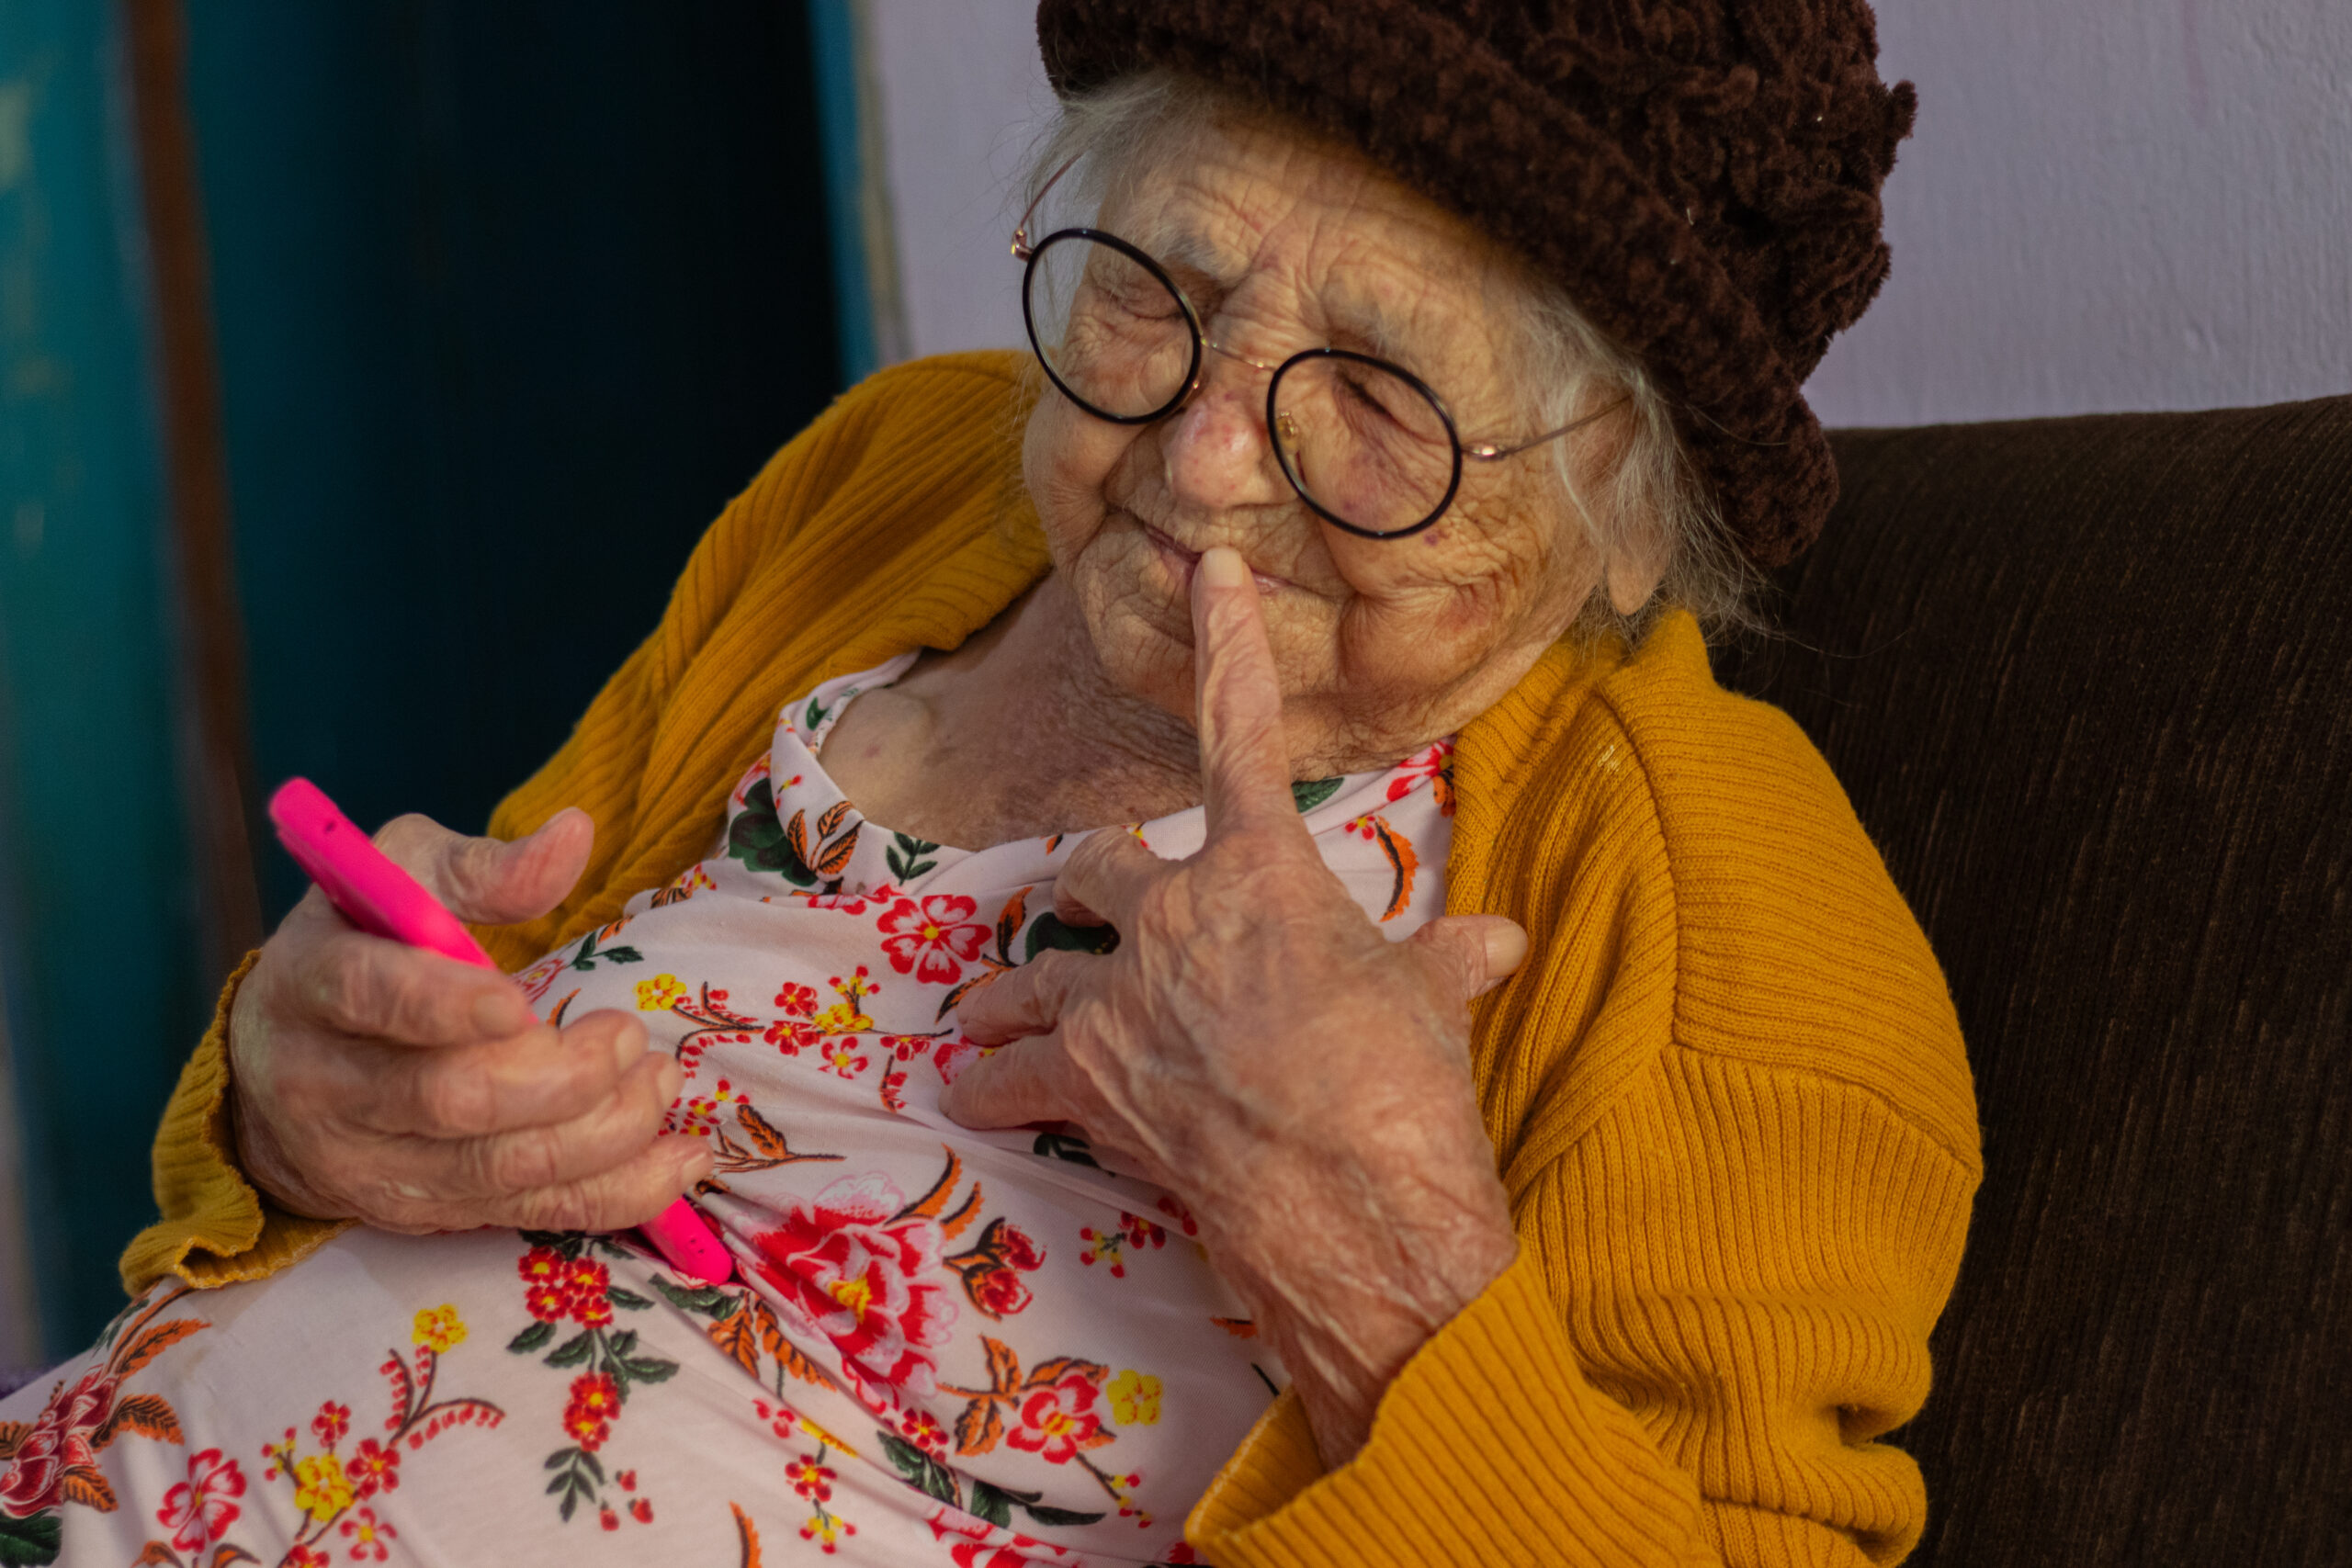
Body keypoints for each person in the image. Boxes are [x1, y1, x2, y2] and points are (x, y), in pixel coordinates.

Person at [1, 5, 1979, 1565]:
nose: (1200, 462)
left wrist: (1376, 1256)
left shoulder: (1718, 900)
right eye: (1150, 295)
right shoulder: (899, 479)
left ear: (1625, 509)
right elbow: (403, 1051)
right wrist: (292, 1089)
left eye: (1374, 397)